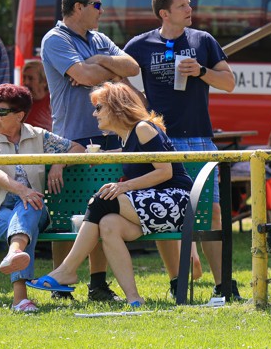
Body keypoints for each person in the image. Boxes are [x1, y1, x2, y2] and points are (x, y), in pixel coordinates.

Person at [30, 82, 194, 307]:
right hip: (155, 207)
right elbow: (129, 152)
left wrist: (125, 187)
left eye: (99, 108)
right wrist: (104, 155)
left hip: (176, 202)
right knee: (108, 224)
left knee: (101, 200)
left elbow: (165, 172)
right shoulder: (129, 136)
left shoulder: (143, 128)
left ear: (117, 107)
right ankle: (134, 298)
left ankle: (67, 270)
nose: (94, 114)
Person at [124, 0, 237, 300]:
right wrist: (139, 100)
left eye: (189, 3)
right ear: (164, 13)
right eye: (182, 5)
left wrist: (201, 71)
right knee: (163, 211)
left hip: (198, 138)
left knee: (212, 211)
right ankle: (177, 282)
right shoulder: (140, 44)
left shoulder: (203, 40)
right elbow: (118, 76)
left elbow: (229, 82)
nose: (190, 9)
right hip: (159, 141)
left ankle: (223, 286)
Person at [40, 0, 140, 302]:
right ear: (78, 7)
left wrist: (98, 62)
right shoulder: (55, 39)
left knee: (98, 209)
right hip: (70, 138)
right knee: (64, 211)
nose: (102, 11)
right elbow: (83, 76)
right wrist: (107, 71)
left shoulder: (98, 39)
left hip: (108, 136)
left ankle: (97, 284)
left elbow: (132, 67)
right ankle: (60, 286)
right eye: (97, 5)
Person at [0, 84, 82, 313]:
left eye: (1, 111)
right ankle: (18, 279)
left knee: (30, 205)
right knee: (27, 222)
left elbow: (78, 149)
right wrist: (21, 190)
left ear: (19, 115)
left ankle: (15, 261)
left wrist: (59, 163)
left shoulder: (38, 135)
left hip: (29, 206)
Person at [21, 58, 52, 130]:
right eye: (24, 77)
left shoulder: (53, 102)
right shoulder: (20, 102)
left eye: (30, 78)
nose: (26, 82)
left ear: (44, 81)